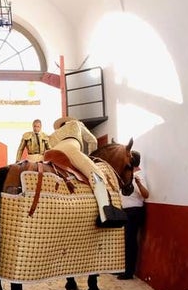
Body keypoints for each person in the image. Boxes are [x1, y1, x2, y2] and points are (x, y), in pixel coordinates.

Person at [45, 115, 126, 228]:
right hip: (70, 150)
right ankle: (105, 214)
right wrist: (90, 158)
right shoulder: (76, 124)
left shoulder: (54, 134)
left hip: (50, 154)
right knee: (96, 174)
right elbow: (92, 140)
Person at [118, 150, 150, 279]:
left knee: (130, 242)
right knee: (127, 241)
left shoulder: (139, 175)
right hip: (127, 211)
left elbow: (146, 194)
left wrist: (138, 183)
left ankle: (129, 272)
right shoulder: (130, 174)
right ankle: (125, 269)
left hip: (134, 211)